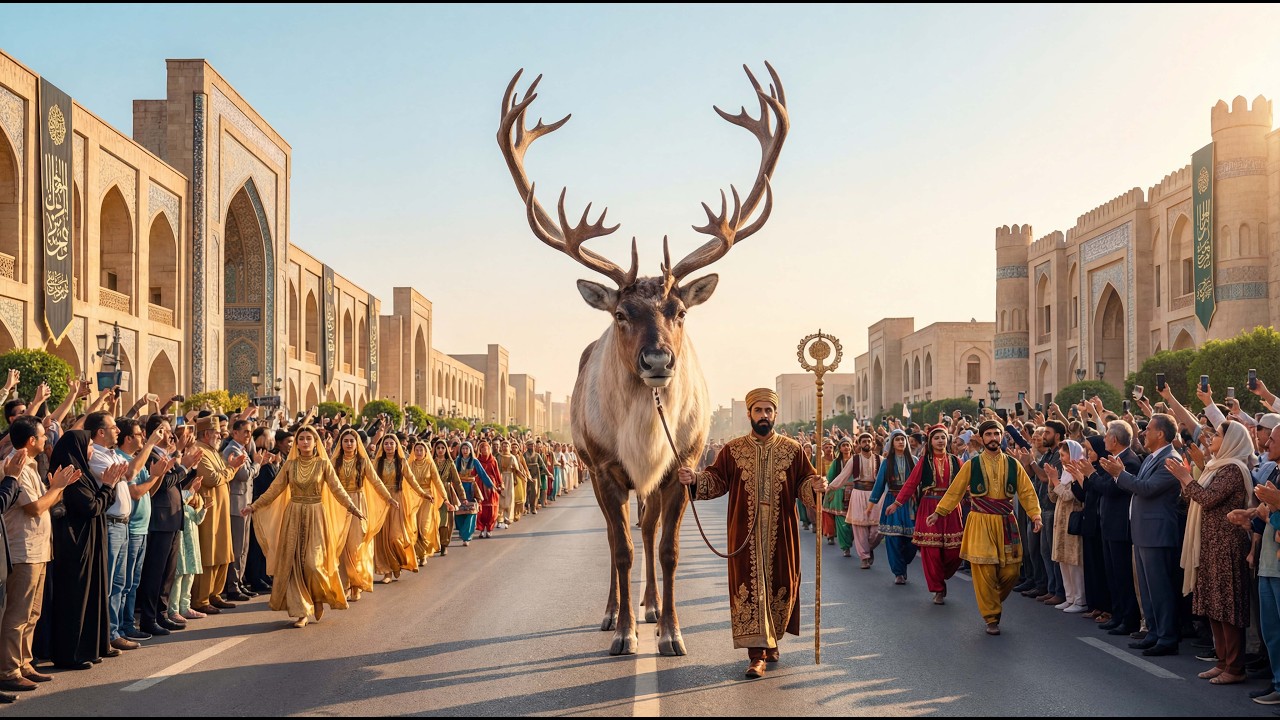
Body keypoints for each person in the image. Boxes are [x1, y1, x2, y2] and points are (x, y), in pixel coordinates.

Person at [678, 388, 825, 679]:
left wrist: (817, 486)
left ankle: (771, 642)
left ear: (775, 414)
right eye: (758, 411)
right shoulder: (732, 450)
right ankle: (756, 655)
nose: (763, 415)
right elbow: (716, 481)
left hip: (782, 533)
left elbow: (805, 484)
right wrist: (694, 479)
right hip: (744, 534)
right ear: (749, 414)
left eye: (768, 411)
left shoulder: (792, 450)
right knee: (750, 588)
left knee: (781, 584)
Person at [926, 419, 1042, 636]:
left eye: (996, 434)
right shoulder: (972, 464)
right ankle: (991, 617)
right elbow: (956, 490)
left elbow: (1026, 491)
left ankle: (991, 600)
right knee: (985, 569)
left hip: (1006, 521)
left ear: (1001, 437)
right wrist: (939, 512)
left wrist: (1035, 515)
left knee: (1011, 570)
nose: (993, 438)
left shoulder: (1012, 464)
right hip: (980, 521)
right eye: (988, 434)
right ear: (981, 438)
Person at [245, 425, 365, 628]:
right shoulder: (290, 465)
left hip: (317, 516)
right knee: (295, 565)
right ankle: (302, 611)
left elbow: (337, 489)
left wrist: (353, 508)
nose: (305, 442)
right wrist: (254, 505)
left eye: (309, 438)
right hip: (293, 515)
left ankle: (317, 598)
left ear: (315, 441)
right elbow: (275, 489)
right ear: (298, 443)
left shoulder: (322, 464)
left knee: (313, 563)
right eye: (302, 438)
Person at [1168, 421, 1253, 683]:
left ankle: (1235, 668)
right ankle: (1222, 661)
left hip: (1227, 546)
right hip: (1210, 544)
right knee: (1214, 606)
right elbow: (1195, 498)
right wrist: (1189, 482)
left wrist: (1186, 478)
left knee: (1228, 607)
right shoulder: (1216, 467)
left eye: (1217, 435)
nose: (1212, 438)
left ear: (1230, 441)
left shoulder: (1233, 469)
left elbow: (1207, 498)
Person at [1100, 413, 1184, 656]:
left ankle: (1167, 637)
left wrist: (1119, 474)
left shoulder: (1171, 459)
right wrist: (1121, 474)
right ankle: (1155, 633)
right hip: (1144, 531)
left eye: (1149, 430)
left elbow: (1146, 488)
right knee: (1148, 588)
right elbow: (1139, 483)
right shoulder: (1153, 457)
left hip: (1157, 533)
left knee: (1160, 588)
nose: (1143, 433)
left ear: (1160, 434)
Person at [0, 421, 74, 695]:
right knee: (17, 614)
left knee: (33, 612)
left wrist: (55, 488)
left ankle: (25, 662)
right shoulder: (15, 464)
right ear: (31, 440)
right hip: (24, 550)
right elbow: (35, 507)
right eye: (43, 435)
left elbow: (44, 501)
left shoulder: (30, 464)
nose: (46, 439)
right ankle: (8, 670)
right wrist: (58, 488)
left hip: (39, 548)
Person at [46, 430, 128, 669]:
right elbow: (91, 507)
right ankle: (70, 654)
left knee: (92, 593)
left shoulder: (82, 472)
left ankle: (90, 648)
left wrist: (107, 487)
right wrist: (108, 486)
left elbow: (99, 503)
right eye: (89, 444)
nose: (92, 449)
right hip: (75, 545)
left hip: (90, 541)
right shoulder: (70, 475)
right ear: (78, 448)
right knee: (75, 598)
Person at [887, 424, 963, 605]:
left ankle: (940, 576)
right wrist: (897, 503)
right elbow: (911, 483)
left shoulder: (956, 461)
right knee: (932, 552)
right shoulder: (924, 461)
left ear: (947, 440)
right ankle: (937, 588)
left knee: (955, 552)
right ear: (930, 441)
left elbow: (965, 484)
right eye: (936, 438)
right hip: (929, 506)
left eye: (943, 437)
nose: (940, 441)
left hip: (952, 508)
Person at [190, 416, 247, 615]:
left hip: (221, 509)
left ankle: (215, 594)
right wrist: (232, 469)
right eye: (217, 434)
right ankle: (201, 599)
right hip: (209, 509)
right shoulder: (198, 451)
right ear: (206, 434)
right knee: (210, 551)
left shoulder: (213, 451)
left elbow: (221, 474)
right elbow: (212, 478)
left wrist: (228, 470)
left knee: (222, 550)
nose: (220, 437)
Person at [331, 428, 394, 602]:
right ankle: (345, 584)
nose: (349, 444)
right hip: (339, 506)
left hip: (358, 505)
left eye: (352, 441)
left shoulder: (363, 461)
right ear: (341, 444)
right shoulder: (334, 461)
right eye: (346, 441)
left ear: (357, 443)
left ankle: (357, 584)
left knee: (355, 547)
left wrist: (388, 498)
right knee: (341, 548)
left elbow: (375, 481)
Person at [373, 435, 428, 582]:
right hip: (382, 501)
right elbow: (372, 482)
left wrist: (423, 494)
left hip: (397, 501)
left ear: (397, 446)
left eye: (392, 443)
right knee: (383, 538)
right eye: (386, 444)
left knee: (394, 537)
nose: (389, 446)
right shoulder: (377, 463)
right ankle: (388, 572)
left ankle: (399, 562)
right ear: (383, 446)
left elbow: (412, 480)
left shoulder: (402, 462)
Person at [868, 430, 918, 585]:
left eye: (903, 439)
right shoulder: (887, 462)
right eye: (898, 440)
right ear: (892, 443)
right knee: (893, 539)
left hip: (910, 503)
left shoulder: (914, 460)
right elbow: (879, 484)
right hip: (892, 502)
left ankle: (902, 564)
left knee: (912, 541)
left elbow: (921, 483)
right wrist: (870, 505)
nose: (901, 442)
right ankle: (898, 573)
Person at [1046, 440, 1087, 613]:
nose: (1061, 459)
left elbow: (1070, 496)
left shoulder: (1079, 472)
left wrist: (1056, 481)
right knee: (1062, 559)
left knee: (1074, 561)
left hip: (1073, 521)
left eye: (1064, 455)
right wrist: (1051, 480)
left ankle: (1080, 600)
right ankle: (1069, 597)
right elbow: (1053, 497)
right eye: (1060, 455)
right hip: (1060, 522)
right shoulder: (1064, 473)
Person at [829, 433, 881, 569]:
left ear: (873, 443)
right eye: (863, 441)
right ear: (859, 444)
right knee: (859, 527)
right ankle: (864, 557)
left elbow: (885, 479)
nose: (866, 443)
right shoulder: (854, 460)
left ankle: (868, 548)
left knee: (877, 530)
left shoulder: (880, 459)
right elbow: (843, 476)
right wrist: (830, 487)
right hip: (858, 493)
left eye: (869, 441)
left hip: (875, 495)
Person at [408, 440, 446, 565]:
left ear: (426, 452)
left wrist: (445, 498)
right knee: (413, 528)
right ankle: (419, 554)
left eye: (421, 450)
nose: (418, 452)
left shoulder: (430, 465)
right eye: (416, 450)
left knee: (424, 528)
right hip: (412, 499)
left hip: (427, 499)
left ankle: (424, 553)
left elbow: (438, 482)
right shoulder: (409, 465)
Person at [454, 442, 494, 546]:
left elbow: (482, 474)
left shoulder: (475, 461)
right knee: (459, 511)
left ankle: (466, 536)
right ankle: (463, 532)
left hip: (471, 488)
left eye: (467, 448)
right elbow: (452, 474)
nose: (465, 450)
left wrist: (491, 485)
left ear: (471, 450)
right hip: (459, 488)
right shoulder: (457, 461)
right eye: (463, 448)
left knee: (471, 511)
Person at [822, 439, 855, 557]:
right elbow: (830, 479)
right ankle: (845, 547)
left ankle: (850, 540)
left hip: (855, 493)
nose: (846, 448)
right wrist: (829, 491)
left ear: (851, 447)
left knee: (854, 522)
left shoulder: (857, 460)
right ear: (840, 448)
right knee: (841, 521)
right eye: (844, 445)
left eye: (848, 445)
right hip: (839, 495)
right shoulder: (836, 463)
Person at [434, 439, 464, 555]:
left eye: (443, 448)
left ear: (446, 449)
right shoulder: (431, 462)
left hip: (447, 492)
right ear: (435, 450)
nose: (440, 450)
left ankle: (444, 544)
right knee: (434, 521)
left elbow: (457, 481)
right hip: (434, 493)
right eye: (438, 448)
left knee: (446, 522)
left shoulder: (450, 463)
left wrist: (462, 496)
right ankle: (435, 543)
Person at [474, 440, 502, 539]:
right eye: (482, 448)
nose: (484, 449)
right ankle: (481, 529)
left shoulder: (493, 460)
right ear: (480, 450)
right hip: (480, 486)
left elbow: (497, 474)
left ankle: (489, 529)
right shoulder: (477, 461)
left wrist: (500, 484)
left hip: (491, 487)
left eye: (486, 448)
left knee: (492, 510)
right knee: (480, 509)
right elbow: (473, 473)